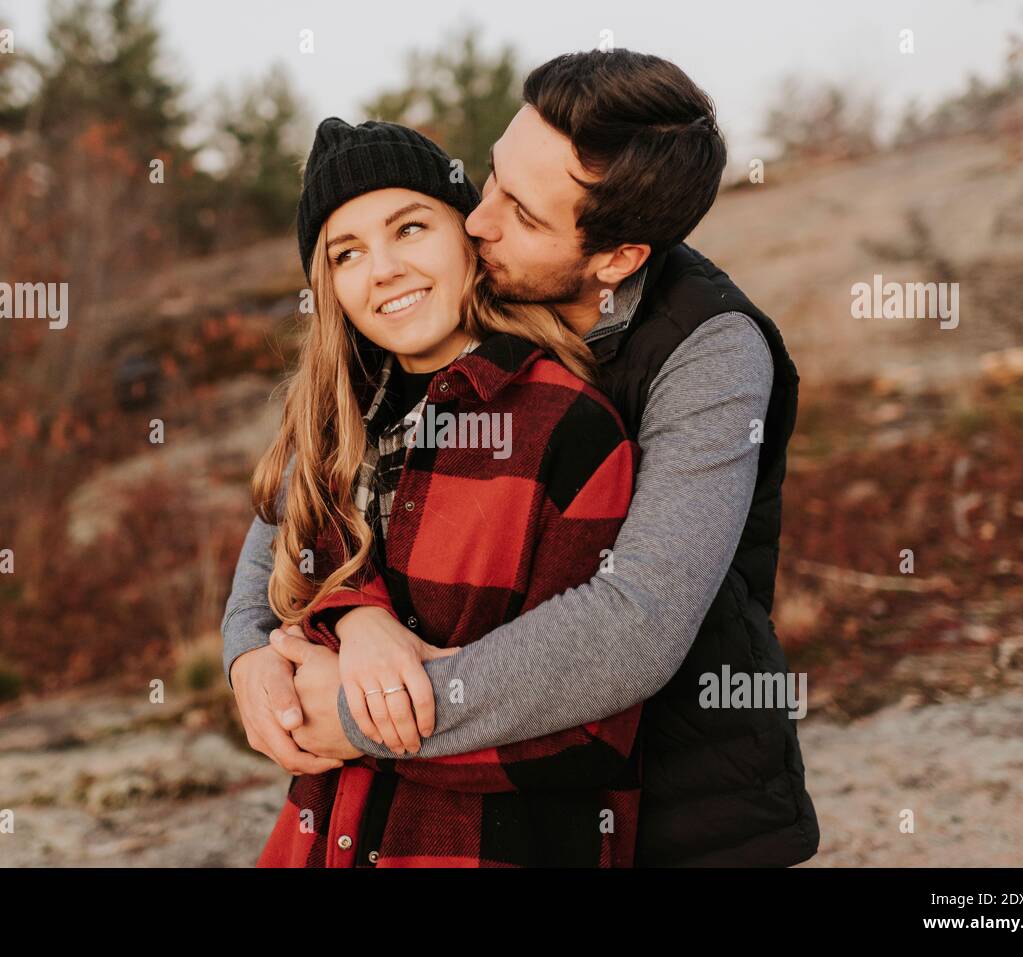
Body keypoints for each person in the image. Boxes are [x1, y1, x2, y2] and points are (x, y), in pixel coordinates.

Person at [226, 49, 821, 867]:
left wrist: (372, 709)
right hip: (435, 792)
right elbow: (307, 491)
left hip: (679, 791)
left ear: (617, 257)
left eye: (524, 213)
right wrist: (255, 648)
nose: (478, 219)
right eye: (493, 176)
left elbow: (634, 623)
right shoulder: (471, 282)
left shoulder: (709, 352)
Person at [252, 117, 642, 867]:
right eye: (348, 252)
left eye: (409, 227)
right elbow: (298, 614)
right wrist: (358, 619)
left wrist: (362, 719)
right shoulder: (339, 430)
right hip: (328, 839)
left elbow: (591, 727)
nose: (384, 268)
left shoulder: (566, 431)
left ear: (471, 235)